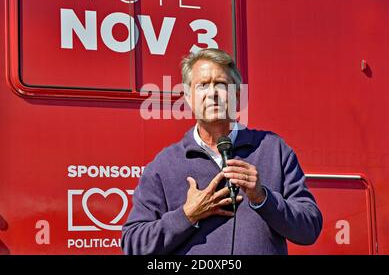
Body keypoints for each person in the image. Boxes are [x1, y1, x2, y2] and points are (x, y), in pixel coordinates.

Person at [121, 48, 322, 255]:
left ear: (236, 95)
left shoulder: (273, 149)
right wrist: (187, 215)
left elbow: (309, 229)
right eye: (202, 86)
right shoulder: (165, 164)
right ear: (189, 98)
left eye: (221, 84)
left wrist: (263, 198)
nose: (212, 93)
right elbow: (134, 244)